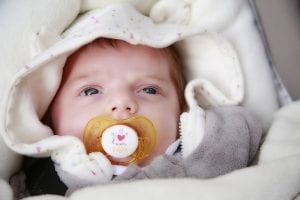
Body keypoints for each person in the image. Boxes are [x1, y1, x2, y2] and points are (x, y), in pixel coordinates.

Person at [14, 38, 262, 197]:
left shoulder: (209, 150)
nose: (122, 103)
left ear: (181, 109)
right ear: (48, 117)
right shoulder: (41, 183)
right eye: (91, 90)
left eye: (149, 90)